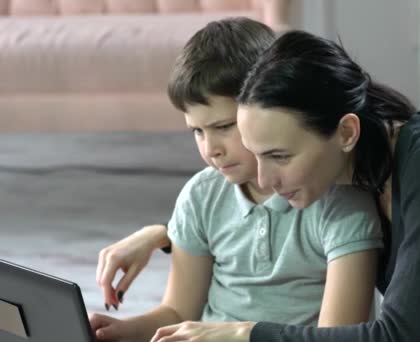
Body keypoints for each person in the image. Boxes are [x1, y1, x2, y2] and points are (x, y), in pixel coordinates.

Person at [145, 30, 420, 341]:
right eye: (257, 155)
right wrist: (163, 236)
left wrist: (245, 333)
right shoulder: (363, 169)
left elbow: (397, 336)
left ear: (346, 132)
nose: (263, 179)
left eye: (280, 156)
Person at [89, 20, 384, 342]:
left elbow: (336, 337)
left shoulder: (339, 206)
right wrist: (119, 330)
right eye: (197, 131)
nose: (210, 149)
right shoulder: (202, 194)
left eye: (224, 126)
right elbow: (178, 312)